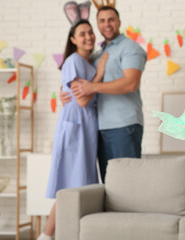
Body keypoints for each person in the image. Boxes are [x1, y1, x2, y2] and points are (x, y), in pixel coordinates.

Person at [37, 2, 108, 239]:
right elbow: (82, 101)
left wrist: (94, 75)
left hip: (85, 130)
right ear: (73, 39)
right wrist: (100, 73)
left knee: (81, 187)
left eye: (90, 32)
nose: (88, 37)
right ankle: (47, 236)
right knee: (68, 188)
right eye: (82, 34)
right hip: (74, 130)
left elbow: (81, 95)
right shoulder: (74, 62)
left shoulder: (87, 62)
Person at [62, 4, 147, 183]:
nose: (106, 24)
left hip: (124, 125)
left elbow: (131, 83)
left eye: (111, 20)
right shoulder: (97, 55)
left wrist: (93, 87)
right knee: (109, 184)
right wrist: (64, 92)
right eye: (102, 21)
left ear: (119, 22)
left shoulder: (130, 48)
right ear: (98, 25)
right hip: (100, 128)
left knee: (128, 182)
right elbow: (80, 82)